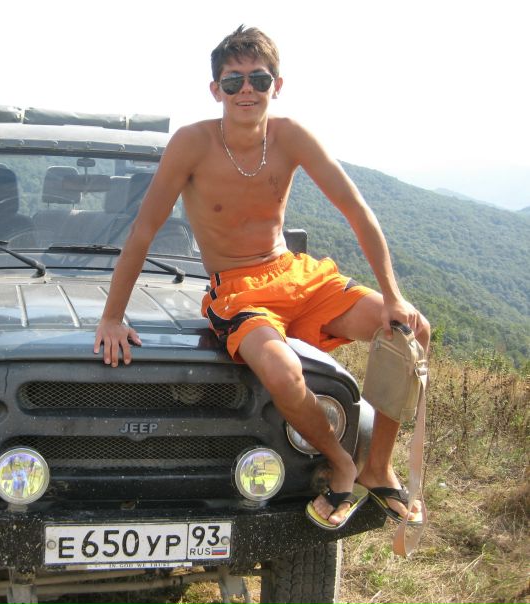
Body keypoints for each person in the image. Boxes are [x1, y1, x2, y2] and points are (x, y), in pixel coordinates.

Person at [93, 25, 429, 530]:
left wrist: (393, 295)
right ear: (216, 90)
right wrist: (112, 317)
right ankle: (340, 461)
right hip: (237, 290)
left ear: (277, 84)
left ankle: (378, 466)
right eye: (233, 81)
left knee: (412, 330)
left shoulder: (290, 136)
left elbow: (356, 210)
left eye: (258, 78)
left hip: (294, 274)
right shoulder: (192, 143)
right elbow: (144, 230)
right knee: (282, 372)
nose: (246, 90)